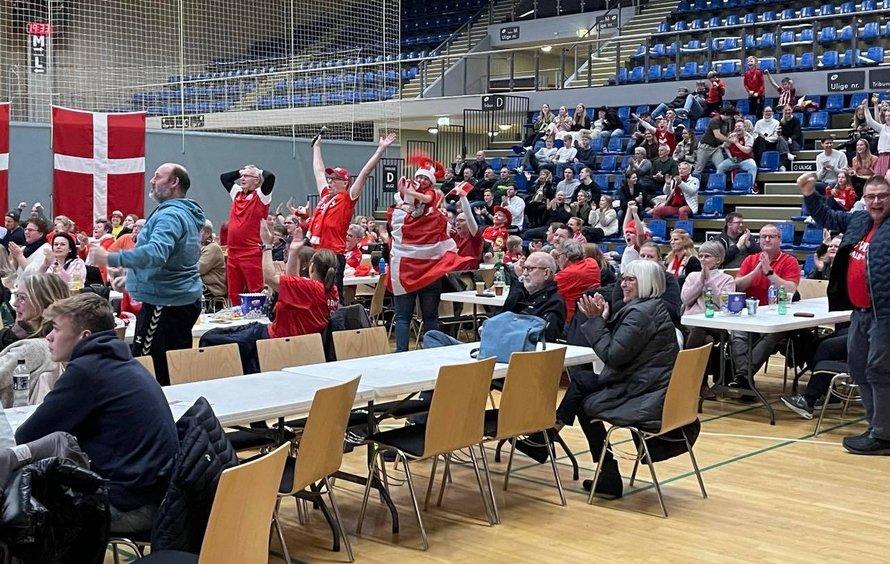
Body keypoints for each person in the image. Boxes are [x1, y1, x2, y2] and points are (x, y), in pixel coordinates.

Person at [15, 293, 178, 533]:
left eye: (56, 329)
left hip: (130, 505)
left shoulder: (87, 371)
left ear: (84, 336)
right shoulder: (120, 359)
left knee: (21, 512)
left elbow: (26, 436)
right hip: (159, 496)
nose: (48, 336)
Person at [555, 259, 679, 498]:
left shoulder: (640, 314)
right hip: (649, 385)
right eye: (623, 278)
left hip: (642, 394)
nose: (622, 284)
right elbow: (625, 347)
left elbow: (612, 356)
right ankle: (549, 436)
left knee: (583, 401)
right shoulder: (652, 307)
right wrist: (605, 319)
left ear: (646, 283)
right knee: (581, 381)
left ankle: (607, 473)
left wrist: (596, 321)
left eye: (630, 279)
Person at [796, 172, 890, 453]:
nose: (876, 202)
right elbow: (827, 217)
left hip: (884, 314)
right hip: (859, 313)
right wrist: (809, 193)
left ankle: (884, 435)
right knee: (860, 369)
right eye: (870, 197)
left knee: (879, 371)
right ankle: (875, 427)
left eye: (882, 196)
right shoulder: (859, 220)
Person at [93, 162, 205, 387]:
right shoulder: (183, 213)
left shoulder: (170, 215)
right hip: (176, 300)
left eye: (157, 176)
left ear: (174, 182)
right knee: (171, 366)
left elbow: (156, 254)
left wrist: (111, 258)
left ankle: (154, 408)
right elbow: (172, 261)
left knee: (149, 370)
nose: (152, 181)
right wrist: (133, 281)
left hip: (165, 304)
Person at [308, 132, 397, 302]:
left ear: (345, 183)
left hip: (333, 256)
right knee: (313, 296)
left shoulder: (347, 199)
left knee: (333, 298)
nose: (330, 182)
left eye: (335, 179)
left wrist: (380, 150)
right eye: (330, 179)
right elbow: (318, 172)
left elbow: (364, 173)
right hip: (317, 253)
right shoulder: (325, 196)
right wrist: (316, 148)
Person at [729, 224, 801, 389]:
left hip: (779, 316)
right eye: (763, 236)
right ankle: (745, 378)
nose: (767, 240)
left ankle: (743, 376)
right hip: (751, 314)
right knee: (737, 334)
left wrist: (769, 273)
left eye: (771, 236)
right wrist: (756, 271)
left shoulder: (790, 261)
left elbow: (791, 289)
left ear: (779, 240)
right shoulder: (750, 260)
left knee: (770, 334)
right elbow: (737, 286)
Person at [681, 240, 736, 396]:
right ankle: (701, 384)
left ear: (718, 260)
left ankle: (686, 377)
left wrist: (709, 281)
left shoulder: (727, 280)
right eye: (701, 256)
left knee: (703, 332)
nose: (702, 260)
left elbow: (723, 304)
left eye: (707, 256)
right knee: (706, 340)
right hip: (692, 323)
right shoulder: (692, 276)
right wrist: (700, 281)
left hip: (716, 325)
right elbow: (686, 300)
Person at [219, 164, 275, 306]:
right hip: (233, 252)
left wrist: (257, 171)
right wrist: (241, 171)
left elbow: (270, 177)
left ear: (257, 180)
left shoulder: (261, 196)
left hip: (251, 252)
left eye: (247, 176)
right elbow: (224, 178)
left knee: (255, 291)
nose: (242, 178)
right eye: (241, 176)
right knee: (233, 292)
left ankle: (258, 317)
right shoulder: (237, 193)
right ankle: (235, 318)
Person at [0, 273, 70, 350]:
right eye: (17, 296)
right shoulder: (20, 329)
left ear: (44, 303)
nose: (15, 304)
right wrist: (14, 333)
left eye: (22, 298)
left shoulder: (36, 346)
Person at [553, 239, 601, 323]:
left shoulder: (564, 275)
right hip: (594, 315)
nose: (558, 259)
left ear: (566, 256)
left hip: (571, 320)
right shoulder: (592, 263)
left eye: (558, 256)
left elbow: (546, 286)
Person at [694, 106, 734, 173]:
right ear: (725, 114)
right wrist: (730, 140)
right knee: (699, 169)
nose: (730, 118)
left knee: (721, 167)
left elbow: (727, 133)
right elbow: (717, 135)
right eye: (730, 116)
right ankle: (693, 179)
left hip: (716, 148)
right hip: (705, 147)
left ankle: (720, 179)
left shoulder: (727, 122)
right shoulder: (715, 120)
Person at [199, 220, 227, 302]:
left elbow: (198, 269)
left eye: (198, 230)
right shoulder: (202, 246)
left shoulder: (212, 248)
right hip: (203, 286)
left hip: (213, 289)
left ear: (207, 233)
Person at [862, 97, 890, 176]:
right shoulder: (882, 128)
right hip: (882, 157)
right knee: (881, 179)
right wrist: (866, 108)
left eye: (889, 115)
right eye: (886, 116)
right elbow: (870, 122)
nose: (888, 118)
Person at [777, 104, 803, 171]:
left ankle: (783, 165)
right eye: (786, 110)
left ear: (792, 110)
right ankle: (787, 154)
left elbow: (797, 133)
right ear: (783, 111)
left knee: (782, 145)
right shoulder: (781, 121)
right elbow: (781, 134)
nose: (787, 111)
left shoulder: (796, 120)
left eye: (789, 110)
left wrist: (791, 138)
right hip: (785, 141)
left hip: (794, 141)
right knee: (780, 139)